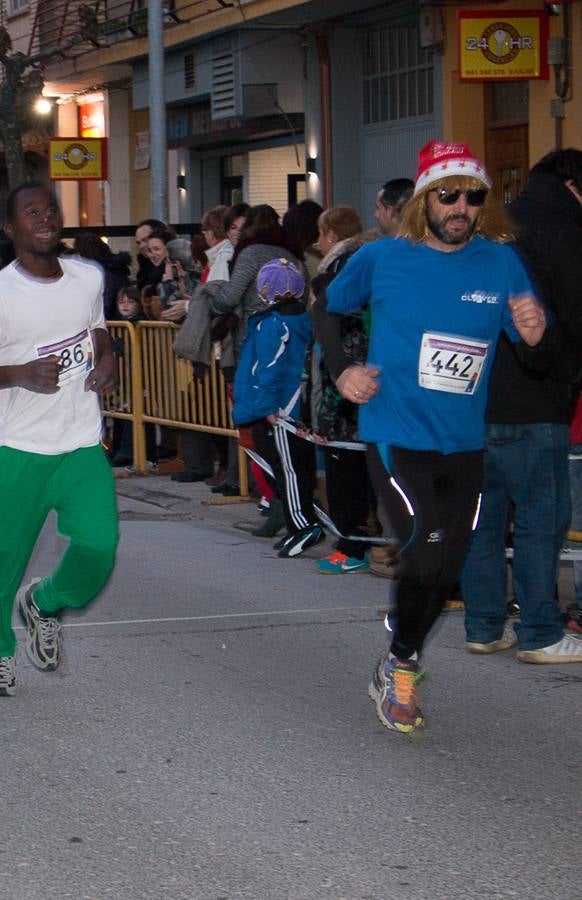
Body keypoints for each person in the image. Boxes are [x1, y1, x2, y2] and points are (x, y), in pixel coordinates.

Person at [322, 140, 547, 733]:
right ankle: (401, 670)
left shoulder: (501, 263)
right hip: (397, 432)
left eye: (474, 197)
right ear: (425, 200)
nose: (461, 207)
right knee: (424, 548)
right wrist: (341, 369)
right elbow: (323, 308)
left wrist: (535, 331)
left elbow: (532, 348)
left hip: (465, 442)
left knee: (446, 567)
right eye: (449, 195)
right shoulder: (383, 259)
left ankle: (401, 657)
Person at [0, 182, 119, 697]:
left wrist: (110, 357)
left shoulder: (87, 277)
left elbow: (99, 330)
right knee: (3, 561)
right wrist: (21, 373)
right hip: (22, 448)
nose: (46, 218)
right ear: (12, 229)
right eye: (32, 213)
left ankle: (45, 603)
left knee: (99, 546)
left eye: (51, 209)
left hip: (80, 441)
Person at [459, 148, 582, 663]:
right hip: (538, 398)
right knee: (539, 519)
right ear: (573, 184)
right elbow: (575, 317)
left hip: (475, 397)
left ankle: (485, 624)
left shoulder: (488, 230)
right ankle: (540, 631)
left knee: (483, 519)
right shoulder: (567, 231)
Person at [232, 258, 323, 558]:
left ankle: (303, 524)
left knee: (289, 469)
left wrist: (269, 406)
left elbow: (270, 368)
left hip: (280, 409)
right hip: (290, 405)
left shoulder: (274, 324)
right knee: (293, 467)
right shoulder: (300, 320)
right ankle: (302, 521)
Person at [307, 204, 378, 573]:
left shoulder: (345, 268)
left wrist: (327, 415)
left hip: (348, 406)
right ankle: (362, 542)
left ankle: (354, 545)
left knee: (349, 476)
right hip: (349, 402)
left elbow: (340, 374)